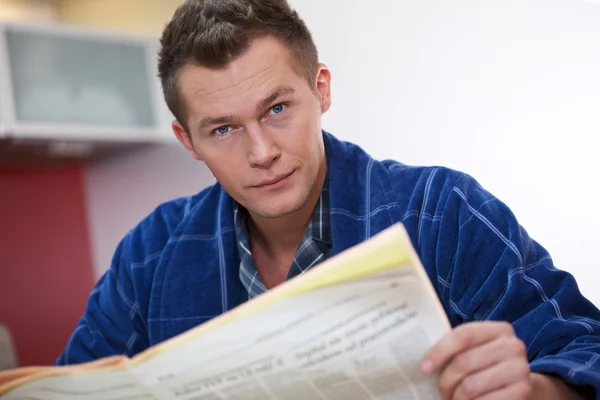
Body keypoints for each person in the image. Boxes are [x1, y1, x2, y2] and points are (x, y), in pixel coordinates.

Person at [56, 0, 600, 398]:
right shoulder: (148, 254)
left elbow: (585, 349)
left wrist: (536, 389)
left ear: (321, 90)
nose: (262, 152)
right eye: (223, 129)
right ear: (188, 141)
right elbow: (73, 387)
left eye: (276, 109)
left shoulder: (443, 210)